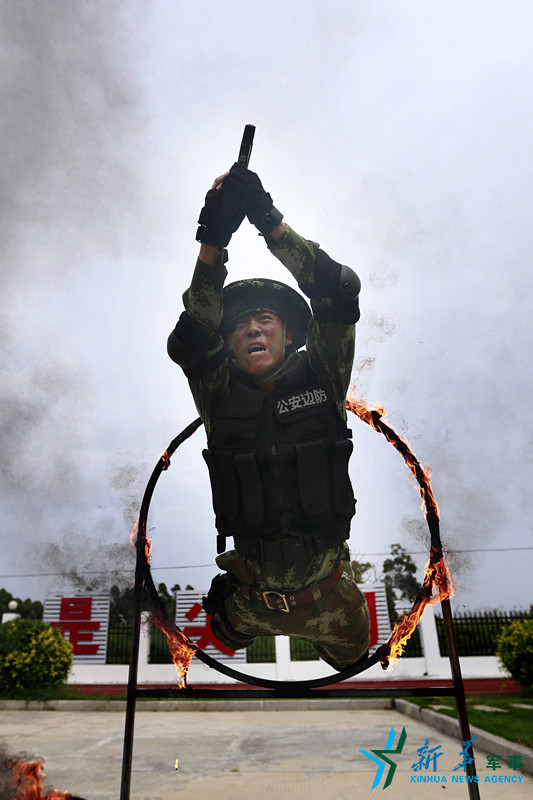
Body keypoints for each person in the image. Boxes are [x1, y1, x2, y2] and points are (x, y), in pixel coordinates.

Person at [167, 164, 370, 670]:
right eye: (239, 325)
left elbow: (336, 291)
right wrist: (212, 241)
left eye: (265, 319)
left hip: (331, 605)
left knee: (355, 656)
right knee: (224, 638)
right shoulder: (217, 395)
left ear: (288, 335)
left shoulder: (324, 375)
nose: (252, 329)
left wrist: (267, 220)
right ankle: (244, 620)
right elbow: (196, 331)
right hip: (249, 605)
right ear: (230, 345)